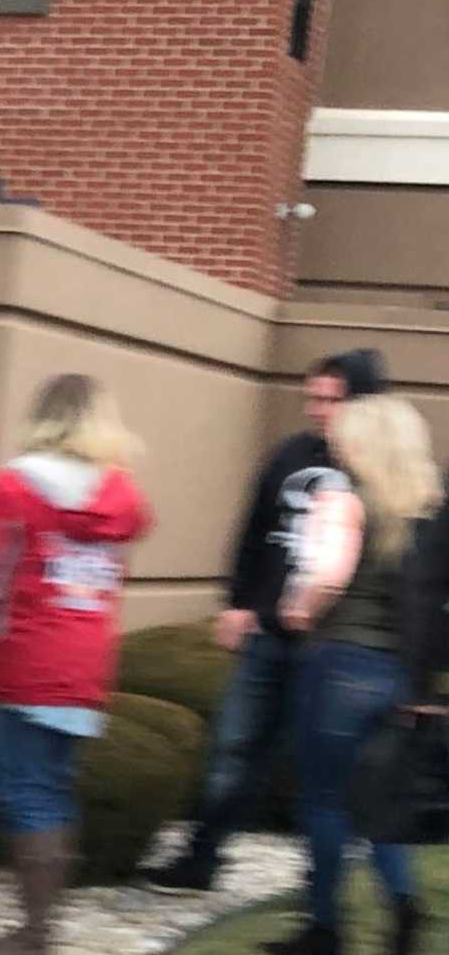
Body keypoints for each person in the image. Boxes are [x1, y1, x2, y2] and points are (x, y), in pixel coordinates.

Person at [0, 374, 153, 955]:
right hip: (84, 662)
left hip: (26, 662)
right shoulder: (121, 500)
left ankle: (34, 940)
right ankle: (37, 930)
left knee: (26, 797)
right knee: (50, 793)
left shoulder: (11, 489)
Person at [145, 349, 388, 893]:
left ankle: (320, 880)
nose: (320, 410)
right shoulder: (289, 455)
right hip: (269, 637)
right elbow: (253, 532)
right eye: (314, 398)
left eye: (334, 399)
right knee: (234, 746)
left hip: (334, 647)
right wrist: (236, 603)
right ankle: (202, 858)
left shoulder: (379, 471)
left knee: (321, 764)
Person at [258, 394, 440, 955]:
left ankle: (324, 926)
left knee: (326, 802)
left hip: (339, 667)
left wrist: (298, 609)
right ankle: (405, 902)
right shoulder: (431, 513)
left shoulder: (344, 502)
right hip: (398, 677)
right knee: (380, 807)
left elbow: (327, 579)